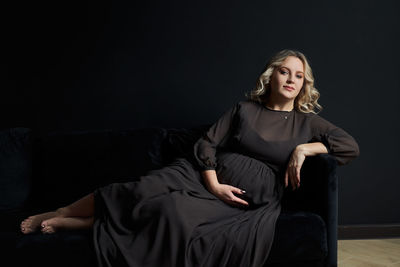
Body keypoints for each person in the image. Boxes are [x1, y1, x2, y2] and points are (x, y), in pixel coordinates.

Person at [20, 49, 360, 267]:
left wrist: (304, 148)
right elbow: (207, 144)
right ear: (271, 76)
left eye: (299, 75)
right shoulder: (244, 109)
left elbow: (349, 147)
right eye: (285, 71)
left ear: (305, 85)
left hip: (242, 201)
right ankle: (61, 211)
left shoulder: (308, 122)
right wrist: (213, 184)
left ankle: (79, 225)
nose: (291, 79)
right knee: (139, 189)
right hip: (202, 177)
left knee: (172, 213)